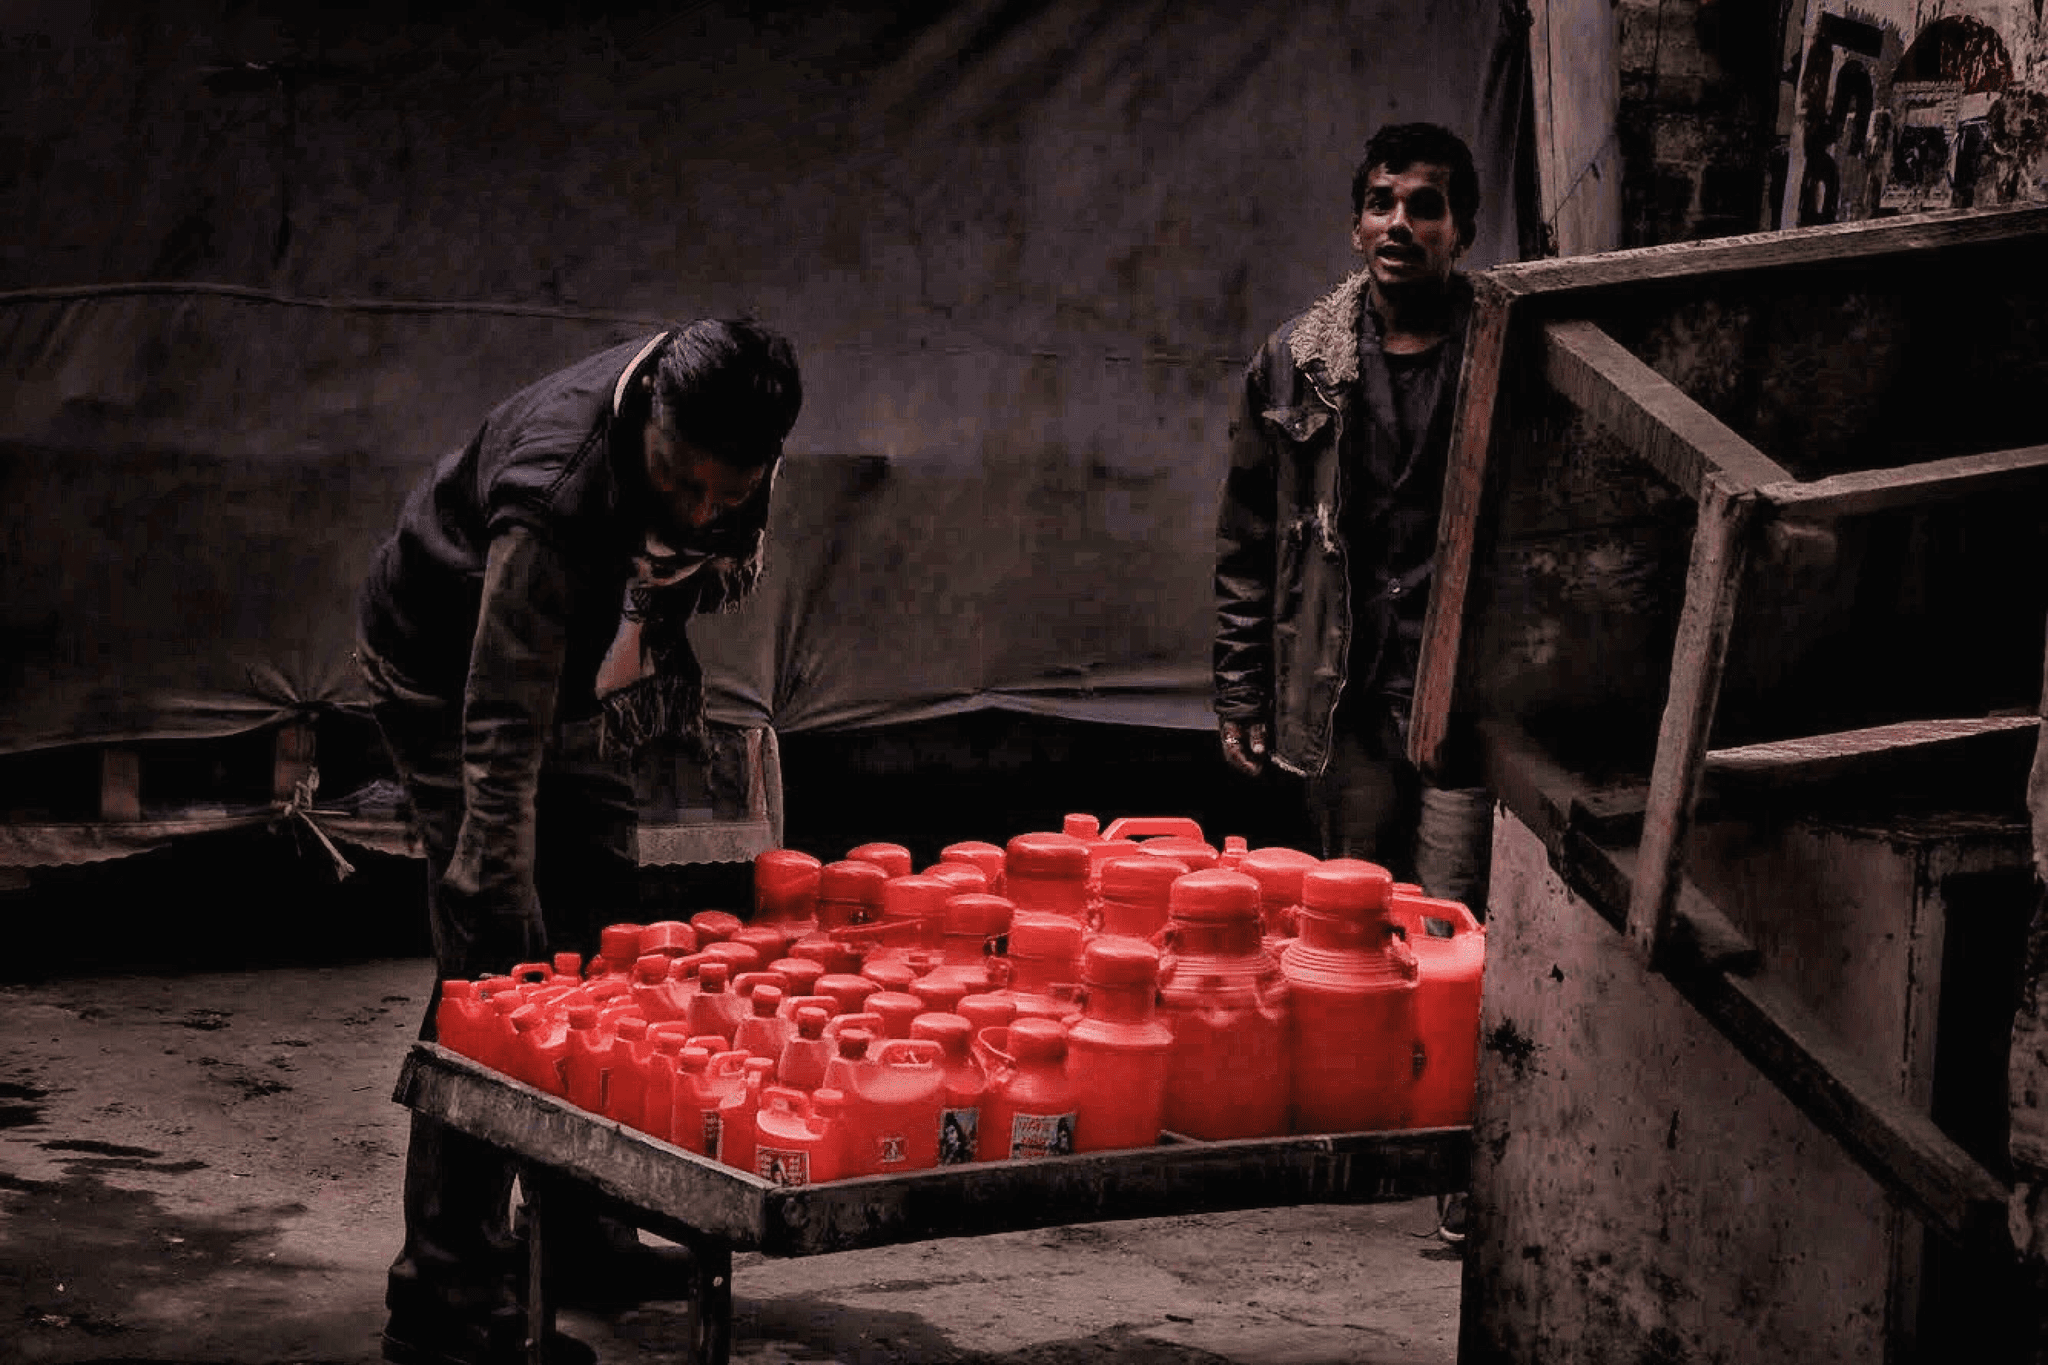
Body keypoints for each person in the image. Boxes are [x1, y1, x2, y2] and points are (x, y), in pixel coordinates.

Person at [357, 317, 802, 1365]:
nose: (699, 510)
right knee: (500, 971)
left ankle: (583, 1233)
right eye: (680, 481)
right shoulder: (557, 492)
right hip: (448, 670)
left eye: (724, 495)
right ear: (647, 418)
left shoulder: (727, 446)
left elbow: (665, 574)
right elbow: (500, 721)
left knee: (604, 944)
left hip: (570, 676)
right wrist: (489, 864)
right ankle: (447, 1294)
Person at [1212, 123, 1492, 1243]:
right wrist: (1240, 686)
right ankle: (1359, 1133)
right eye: (1380, 202)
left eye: (1424, 206)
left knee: (1457, 931)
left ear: (1459, 230)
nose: (1397, 225)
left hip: (1466, 696)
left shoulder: (1505, 348)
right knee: (1347, 917)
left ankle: (1464, 1162)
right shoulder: (1297, 364)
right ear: (1353, 221)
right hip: (1343, 691)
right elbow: (1246, 540)